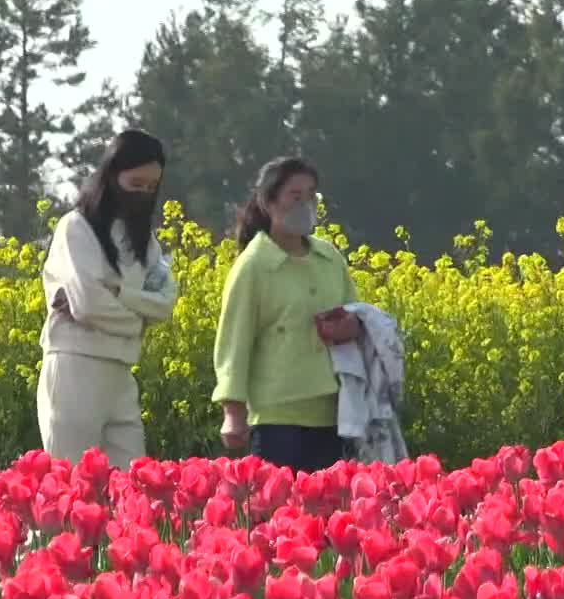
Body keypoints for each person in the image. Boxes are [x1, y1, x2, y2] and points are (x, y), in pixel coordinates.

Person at [36, 129, 178, 469]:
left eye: (151, 187)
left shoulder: (145, 242)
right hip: (75, 366)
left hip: (121, 370)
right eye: (136, 183)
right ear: (112, 176)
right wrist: (135, 321)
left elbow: (166, 302)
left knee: (131, 482)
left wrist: (118, 292)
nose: (143, 193)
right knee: (68, 485)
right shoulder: (77, 228)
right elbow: (87, 303)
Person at [212, 157, 362, 472]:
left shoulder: (329, 258)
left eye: (311, 195)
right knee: (280, 514)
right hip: (277, 416)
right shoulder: (254, 266)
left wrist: (351, 326)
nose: (305, 204)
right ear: (268, 202)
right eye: (295, 195)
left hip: (333, 412)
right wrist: (233, 412)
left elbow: (357, 313)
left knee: (329, 514)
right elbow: (234, 342)